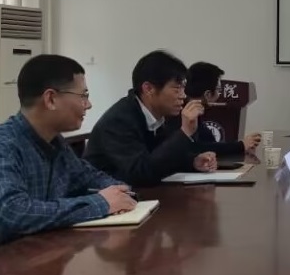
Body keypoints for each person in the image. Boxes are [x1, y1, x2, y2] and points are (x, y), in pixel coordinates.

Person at [0, 55, 136, 264]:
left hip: (28, 261)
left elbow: (88, 177)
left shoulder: (55, 143)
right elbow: (9, 216)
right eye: (83, 95)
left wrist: (120, 192)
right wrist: (101, 203)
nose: (88, 105)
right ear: (50, 99)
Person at [85, 50, 217, 186]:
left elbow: (159, 158)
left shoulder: (158, 115)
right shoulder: (119, 120)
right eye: (177, 89)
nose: (183, 96)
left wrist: (193, 162)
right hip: (105, 193)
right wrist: (184, 133)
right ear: (148, 89)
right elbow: (141, 172)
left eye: (183, 88)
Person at [172, 62, 261, 156]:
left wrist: (242, 145)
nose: (219, 94)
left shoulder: (194, 111)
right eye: (219, 90)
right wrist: (241, 145)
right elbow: (197, 148)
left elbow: (210, 143)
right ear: (207, 94)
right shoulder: (180, 113)